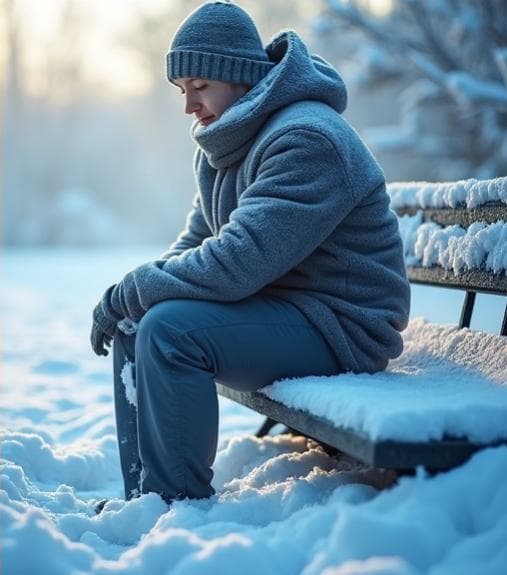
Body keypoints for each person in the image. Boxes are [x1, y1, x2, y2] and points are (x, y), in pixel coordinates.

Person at [90, 2, 410, 506]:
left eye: (200, 86)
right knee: (139, 320)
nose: (189, 105)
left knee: (171, 331)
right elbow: (198, 240)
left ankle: (175, 503)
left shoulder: (307, 138)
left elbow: (238, 262)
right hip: (285, 309)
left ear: (239, 76)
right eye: (181, 89)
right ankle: (145, 500)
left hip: (343, 326)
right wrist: (136, 293)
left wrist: (136, 288)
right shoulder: (227, 141)